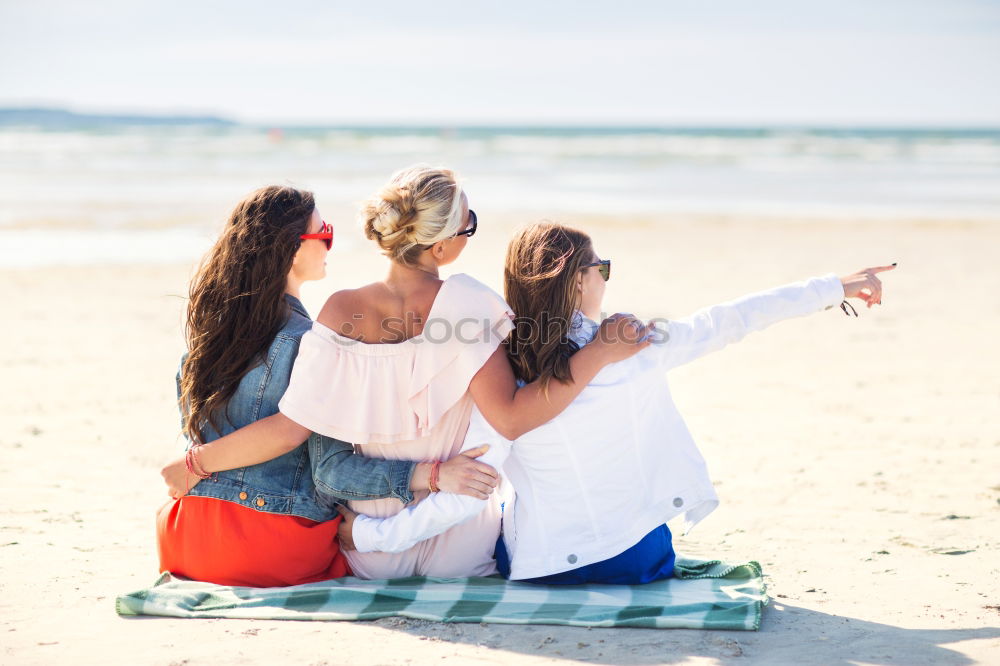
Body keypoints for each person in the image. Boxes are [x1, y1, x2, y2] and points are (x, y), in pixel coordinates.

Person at [337, 221, 894, 585]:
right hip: (638, 561)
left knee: (496, 504)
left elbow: (474, 485)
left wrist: (370, 537)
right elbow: (729, 320)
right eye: (601, 268)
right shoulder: (634, 347)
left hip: (542, 567)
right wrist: (833, 287)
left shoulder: (504, 370)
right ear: (577, 283)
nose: (605, 278)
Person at [160, 167, 650, 579]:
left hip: (369, 551)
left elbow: (323, 464)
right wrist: (600, 352)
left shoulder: (338, 312)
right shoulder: (472, 304)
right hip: (458, 544)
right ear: (440, 248)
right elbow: (513, 419)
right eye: (468, 225)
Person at [157, 185, 503, 587]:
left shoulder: (208, 338)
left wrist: (194, 464)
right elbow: (326, 468)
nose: (330, 245)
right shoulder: (309, 341)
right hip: (272, 546)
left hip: (183, 539)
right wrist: (433, 476)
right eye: (323, 235)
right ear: (289, 250)